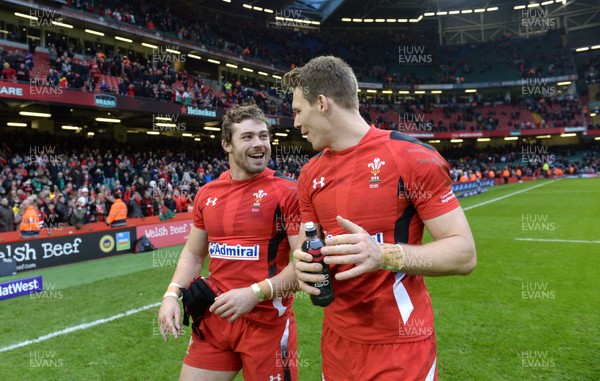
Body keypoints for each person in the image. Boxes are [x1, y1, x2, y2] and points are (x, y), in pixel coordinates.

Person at [287, 56, 477, 380]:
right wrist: (302, 265)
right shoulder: (309, 174)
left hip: (400, 346)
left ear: (321, 103)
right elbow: (308, 250)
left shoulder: (410, 157)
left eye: (297, 110)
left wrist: (382, 254)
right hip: (336, 344)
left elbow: (464, 254)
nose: (295, 124)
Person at [158, 105, 301, 381]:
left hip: (267, 326)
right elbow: (193, 253)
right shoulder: (207, 193)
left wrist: (255, 293)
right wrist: (171, 295)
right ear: (226, 144)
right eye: (247, 137)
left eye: (263, 136)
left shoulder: (287, 192)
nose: (259, 144)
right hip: (214, 321)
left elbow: (306, 263)